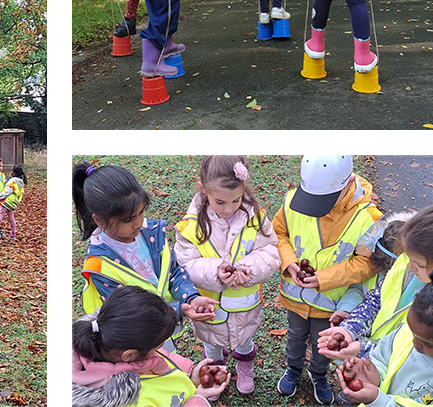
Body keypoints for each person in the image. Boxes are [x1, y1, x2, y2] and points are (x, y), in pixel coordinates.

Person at [273, 155, 383, 404]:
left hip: (332, 305)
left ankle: (318, 374)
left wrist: (323, 278)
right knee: (295, 336)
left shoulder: (369, 217)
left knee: (326, 344)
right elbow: (279, 232)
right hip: (295, 299)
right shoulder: (292, 201)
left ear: (346, 184)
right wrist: (288, 261)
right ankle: (293, 369)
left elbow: (369, 262)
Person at [72, 161, 216, 342]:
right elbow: (130, 312)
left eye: (141, 212)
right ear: (100, 221)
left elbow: (173, 271)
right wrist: (178, 309)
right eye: (128, 219)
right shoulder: (99, 265)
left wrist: (191, 298)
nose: (138, 222)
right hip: (136, 339)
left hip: (162, 328)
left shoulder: (151, 235)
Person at [173, 156, 280, 395]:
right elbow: (184, 264)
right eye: (220, 201)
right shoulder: (190, 226)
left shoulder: (256, 217)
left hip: (245, 306)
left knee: (244, 341)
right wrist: (215, 271)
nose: (229, 208)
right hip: (210, 308)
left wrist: (249, 267)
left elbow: (271, 250)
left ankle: (244, 368)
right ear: (203, 190)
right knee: (211, 345)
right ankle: (214, 374)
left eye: (237, 200)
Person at [317, 201, 433, 362]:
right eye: (407, 257)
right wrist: (350, 330)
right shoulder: (405, 264)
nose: (410, 267)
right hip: (375, 366)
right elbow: (377, 299)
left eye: (419, 264)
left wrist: (364, 349)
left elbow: (417, 353)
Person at [72, 285, 230, 407]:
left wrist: (190, 377)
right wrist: (199, 399)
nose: (158, 352)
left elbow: (161, 361)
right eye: (157, 347)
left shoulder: (121, 345)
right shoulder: (129, 400)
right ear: (129, 355)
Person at [335, 269, 433, 406]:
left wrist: (377, 400)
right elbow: (384, 355)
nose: (414, 343)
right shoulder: (409, 330)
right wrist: (376, 376)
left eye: (428, 344)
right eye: (412, 333)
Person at [0, 165, 27, 241]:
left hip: (6, 201)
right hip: (13, 202)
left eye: (12, 171)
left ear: (14, 173)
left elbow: (7, 191)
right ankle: (13, 234)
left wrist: (0, 196)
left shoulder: (13, 181)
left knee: (0, 216)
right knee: (11, 218)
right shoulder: (21, 183)